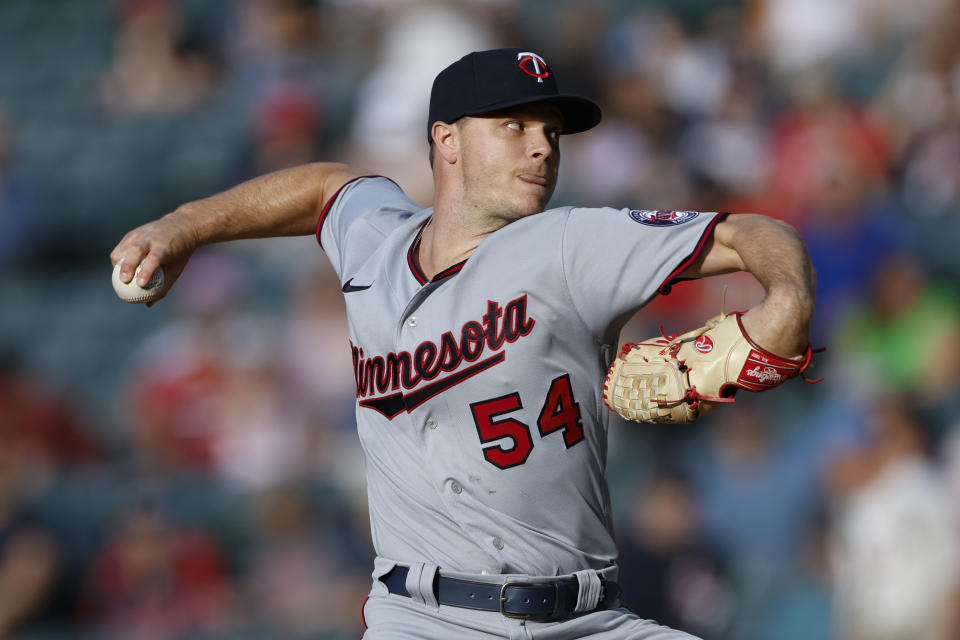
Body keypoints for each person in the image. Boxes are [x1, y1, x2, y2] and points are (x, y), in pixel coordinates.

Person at [111, 48, 816, 639]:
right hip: (422, 619)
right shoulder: (376, 241)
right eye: (514, 126)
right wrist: (185, 225)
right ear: (447, 140)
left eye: (551, 131)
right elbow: (324, 189)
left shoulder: (573, 243)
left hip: (587, 619)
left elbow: (753, 233)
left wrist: (787, 302)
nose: (542, 145)